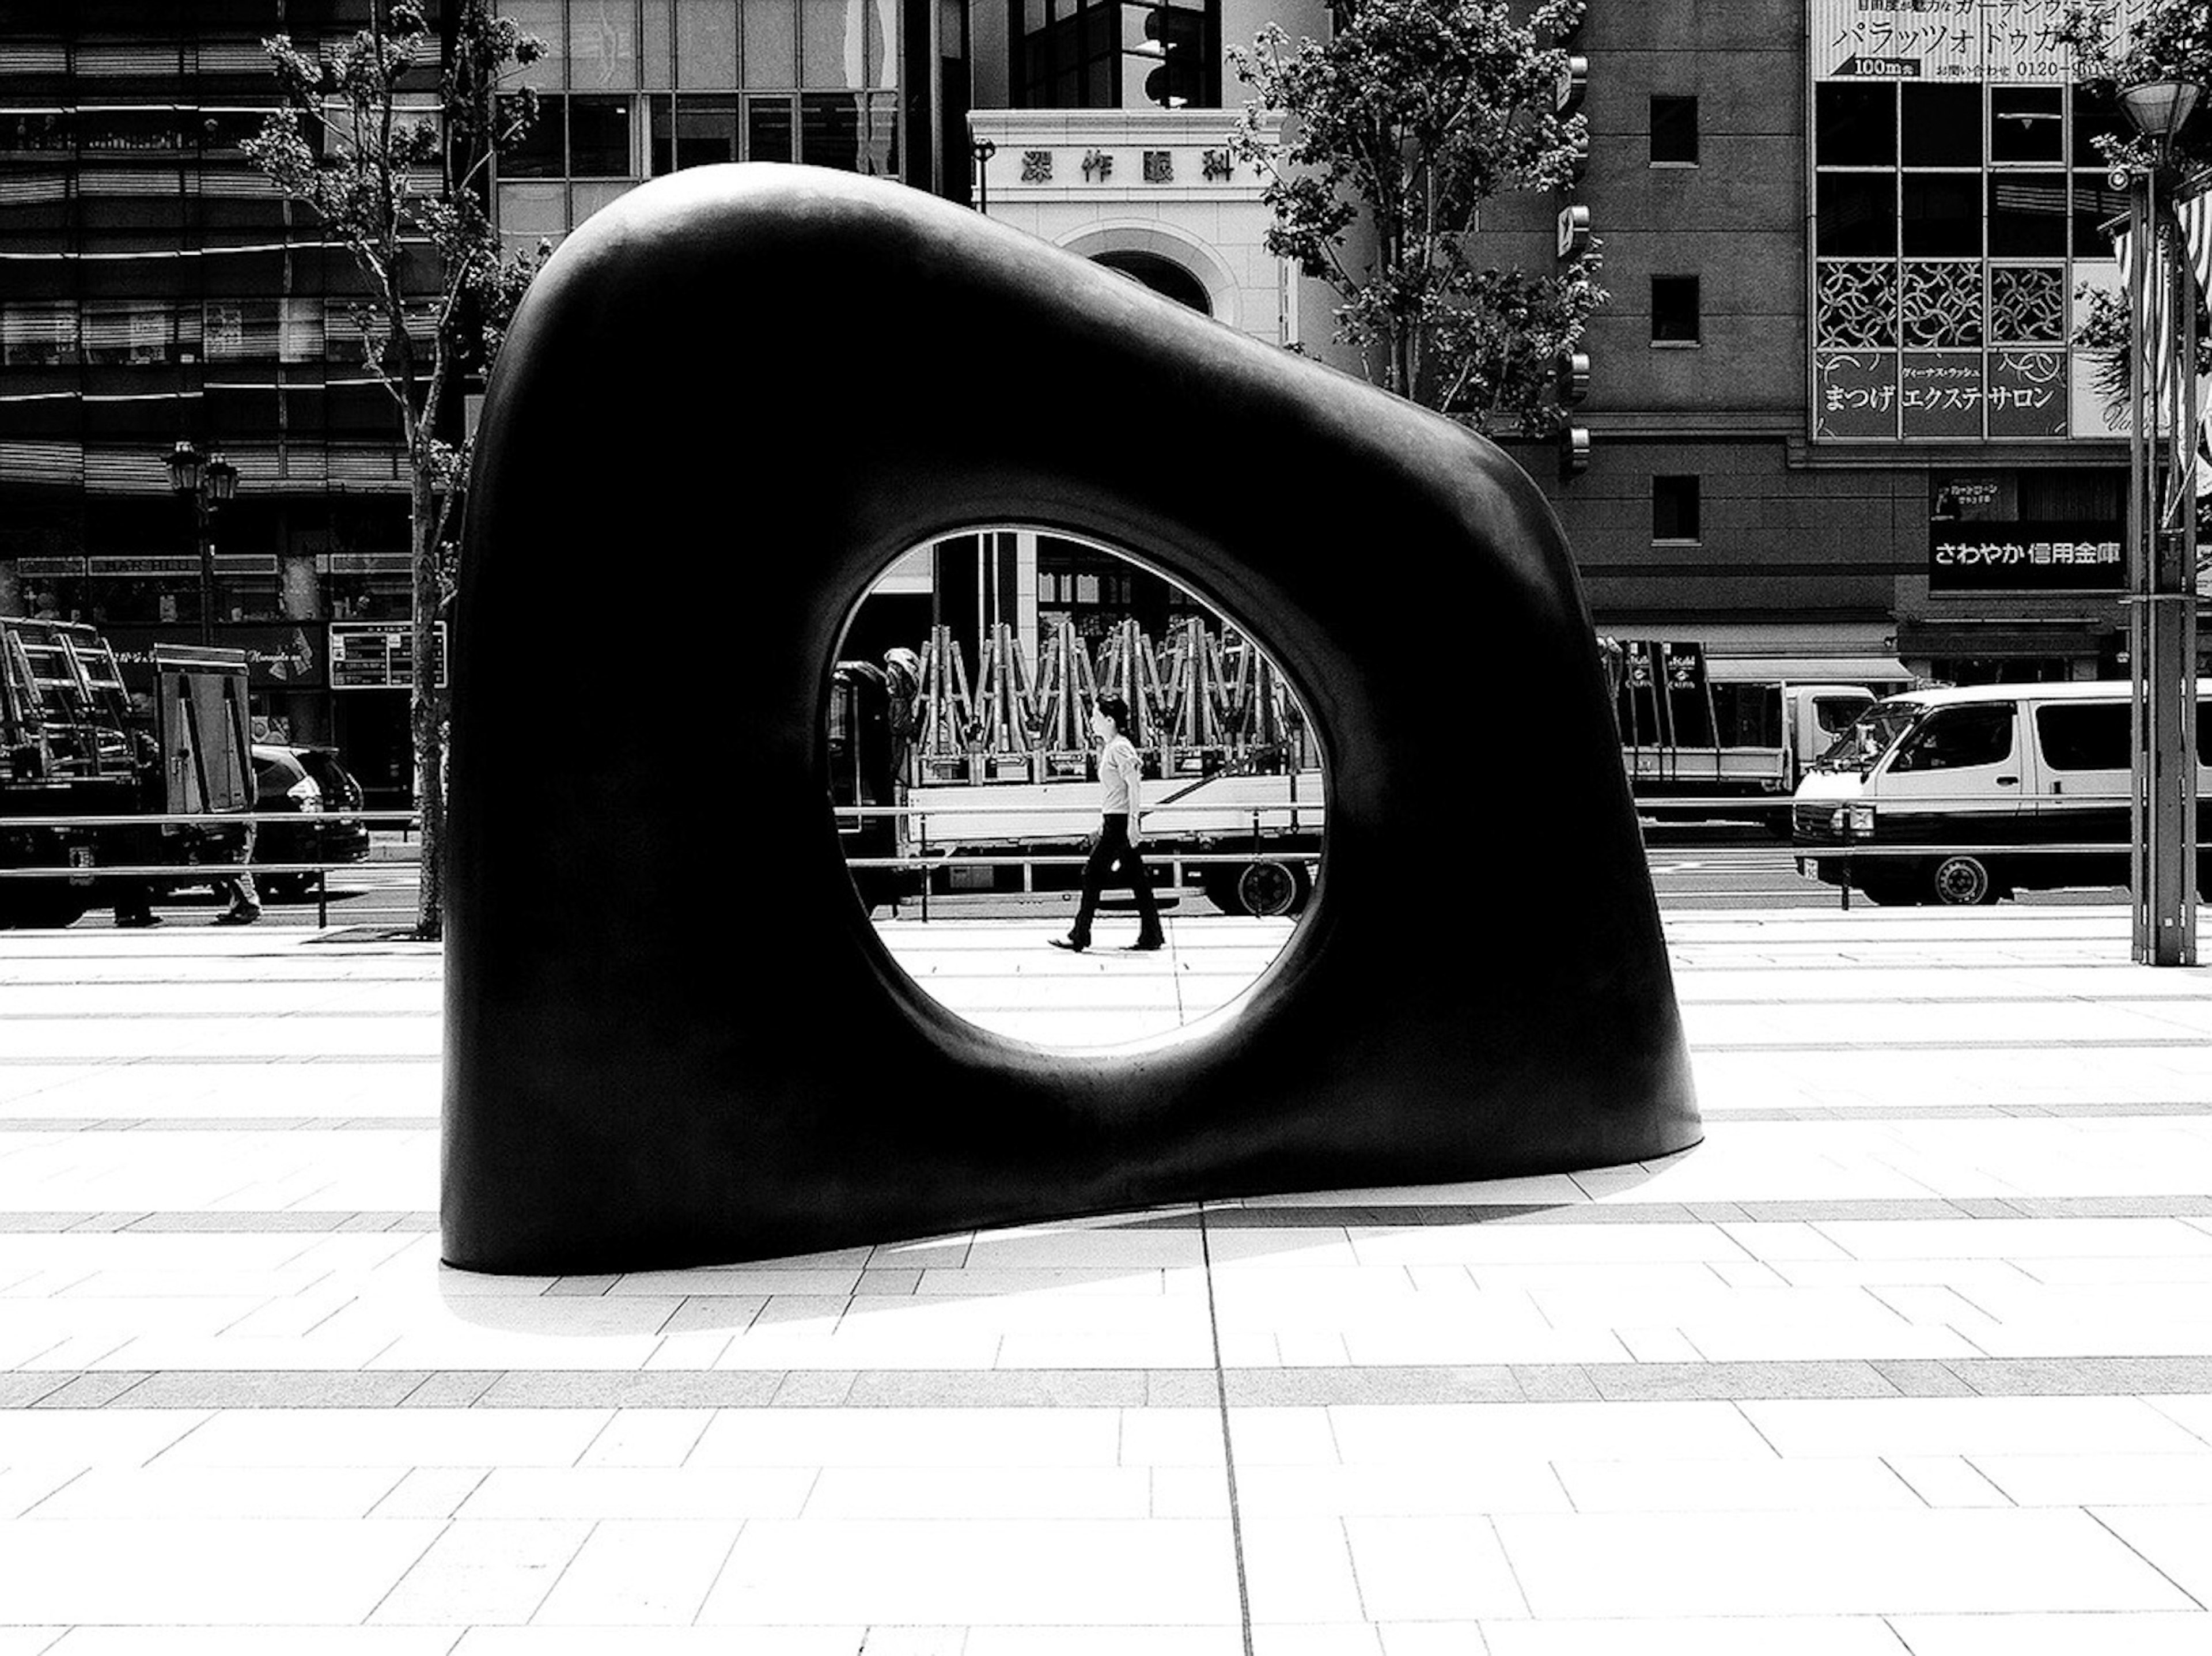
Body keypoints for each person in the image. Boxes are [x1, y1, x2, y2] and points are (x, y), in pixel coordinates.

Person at [1050, 693, 1165, 954]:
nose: (1092, 721)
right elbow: (1117, 794)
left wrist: (1133, 823)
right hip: (1115, 821)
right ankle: (1152, 935)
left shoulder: (1121, 748)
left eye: (1096, 716)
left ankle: (1080, 935)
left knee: (1092, 874)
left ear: (1110, 720)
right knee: (1138, 880)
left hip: (1121, 824)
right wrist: (1103, 824)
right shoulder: (1113, 747)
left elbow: (1134, 786)